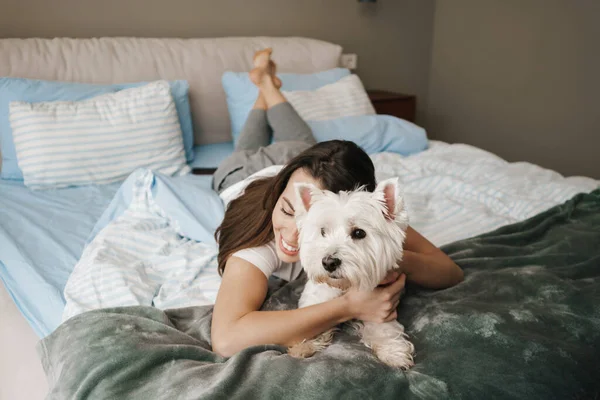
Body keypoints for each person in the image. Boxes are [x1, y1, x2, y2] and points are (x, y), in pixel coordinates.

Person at [211, 49, 464, 357]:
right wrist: (348, 306)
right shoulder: (259, 243)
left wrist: (386, 257)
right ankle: (264, 87)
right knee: (245, 147)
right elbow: (226, 339)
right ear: (281, 198)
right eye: (288, 211)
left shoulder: (357, 210)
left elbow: (449, 272)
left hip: (301, 158)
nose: (292, 234)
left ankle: (266, 84)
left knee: (301, 138)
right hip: (242, 173)